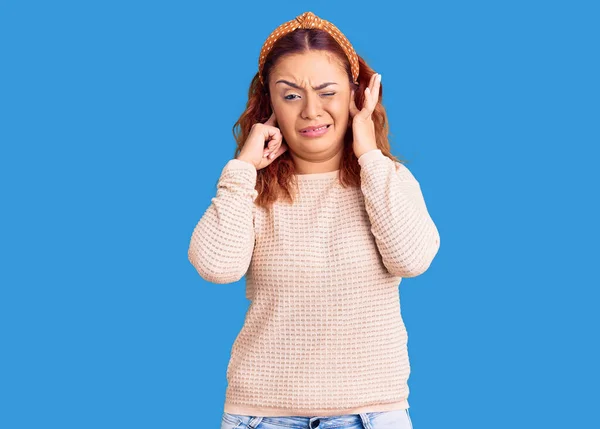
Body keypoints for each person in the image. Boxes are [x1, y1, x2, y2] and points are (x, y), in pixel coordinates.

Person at [188, 11, 440, 429]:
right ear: (268, 104)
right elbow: (216, 268)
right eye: (290, 96)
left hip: (371, 415)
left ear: (357, 96)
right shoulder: (249, 190)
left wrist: (370, 157)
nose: (311, 111)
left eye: (328, 92)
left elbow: (412, 260)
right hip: (260, 417)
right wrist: (243, 168)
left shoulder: (387, 180)